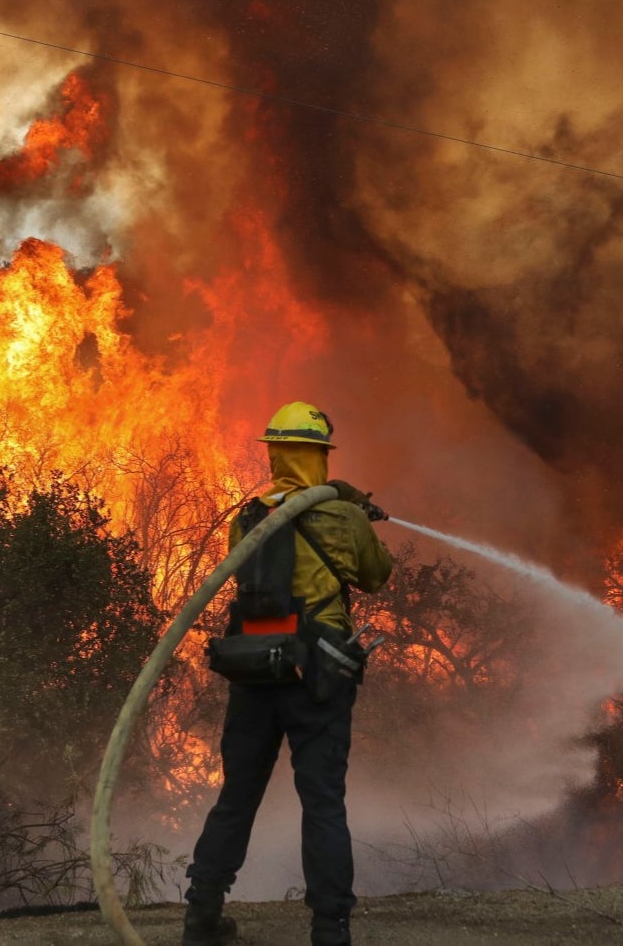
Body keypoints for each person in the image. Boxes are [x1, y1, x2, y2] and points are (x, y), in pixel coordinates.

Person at [183, 401, 394, 946]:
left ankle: (201, 917)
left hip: (255, 670)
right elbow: (376, 576)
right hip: (316, 677)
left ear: (275, 453)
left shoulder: (248, 519)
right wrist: (359, 519)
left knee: (237, 795)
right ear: (320, 457)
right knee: (322, 801)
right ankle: (330, 930)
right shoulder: (341, 517)